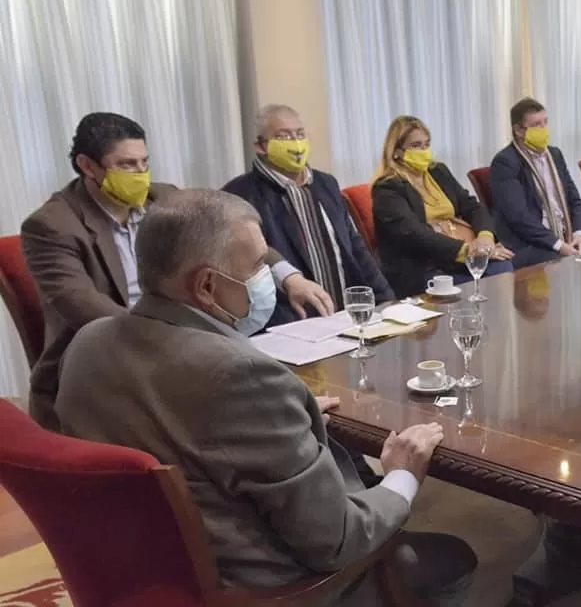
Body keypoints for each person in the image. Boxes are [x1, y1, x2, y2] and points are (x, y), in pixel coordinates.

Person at [55, 189, 477, 604]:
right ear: (206, 285)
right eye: (258, 265)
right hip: (265, 590)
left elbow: (183, 430)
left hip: (138, 572)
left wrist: (287, 424)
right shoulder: (242, 375)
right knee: (455, 557)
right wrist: (401, 475)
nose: (267, 277)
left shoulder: (87, 343)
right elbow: (339, 541)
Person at [20, 112, 331, 431]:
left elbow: (236, 234)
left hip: (183, 350)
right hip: (105, 371)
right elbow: (83, 306)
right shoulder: (51, 225)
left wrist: (289, 276)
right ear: (87, 165)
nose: (140, 174)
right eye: (126, 165)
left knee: (271, 404)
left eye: (144, 162)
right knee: (255, 421)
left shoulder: (164, 198)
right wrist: (178, 343)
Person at [224, 104, 394, 326]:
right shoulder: (240, 193)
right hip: (293, 321)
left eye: (300, 134)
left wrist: (386, 298)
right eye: (283, 136)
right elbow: (252, 252)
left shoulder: (326, 184)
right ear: (260, 146)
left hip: (346, 314)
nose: (295, 143)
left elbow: (354, 245)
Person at [372, 115, 513, 298]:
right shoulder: (387, 188)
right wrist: (468, 251)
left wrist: (485, 238)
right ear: (397, 151)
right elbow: (414, 234)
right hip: (423, 265)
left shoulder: (438, 171)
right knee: (473, 286)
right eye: (416, 145)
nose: (424, 150)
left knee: (502, 267)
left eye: (426, 144)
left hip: (456, 255)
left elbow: (472, 207)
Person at [490, 97, 581, 268]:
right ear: (518, 130)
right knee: (567, 263)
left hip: (565, 237)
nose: (544, 129)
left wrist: (579, 234)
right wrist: (559, 245)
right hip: (529, 244)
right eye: (537, 125)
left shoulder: (555, 154)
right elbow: (520, 218)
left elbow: (574, 200)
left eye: (545, 122)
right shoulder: (505, 162)